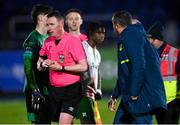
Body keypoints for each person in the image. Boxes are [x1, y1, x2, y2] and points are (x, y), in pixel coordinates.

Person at [108, 10, 167, 124]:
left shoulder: (132, 35)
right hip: (130, 96)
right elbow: (124, 72)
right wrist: (115, 95)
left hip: (141, 95)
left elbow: (139, 65)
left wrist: (134, 93)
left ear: (116, 25)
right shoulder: (128, 38)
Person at [37, 10, 88, 124]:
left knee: (64, 123)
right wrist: (42, 65)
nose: (49, 28)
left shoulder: (73, 41)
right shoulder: (47, 41)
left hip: (71, 90)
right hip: (54, 90)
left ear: (60, 24)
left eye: (52, 24)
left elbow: (84, 66)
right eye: (47, 25)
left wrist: (62, 68)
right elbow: (39, 62)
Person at [22, 4, 52, 124]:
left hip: (46, 87)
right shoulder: (33, 39)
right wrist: (34, 89)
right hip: (35, 89)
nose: (51, 18)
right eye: (48, 16)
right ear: (40, 18)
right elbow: (27, 66)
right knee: (39, 122)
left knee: (47, 121)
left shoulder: (48, 38)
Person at [147, 21, 180, 124]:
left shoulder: (175, 53)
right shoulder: (150, 55)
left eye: (151, 39)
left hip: (172, 101)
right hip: (157, 101)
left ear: (158, 39)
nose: (149, 42)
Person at [75, 22, 105, 124]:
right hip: (82, 95)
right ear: (91, 33)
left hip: (91, 95)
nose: (102, 35)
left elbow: (98, 72)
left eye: (103, 33)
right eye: (99, 32)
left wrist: (99, 90)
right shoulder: (82, 48)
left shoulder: (97, 53)